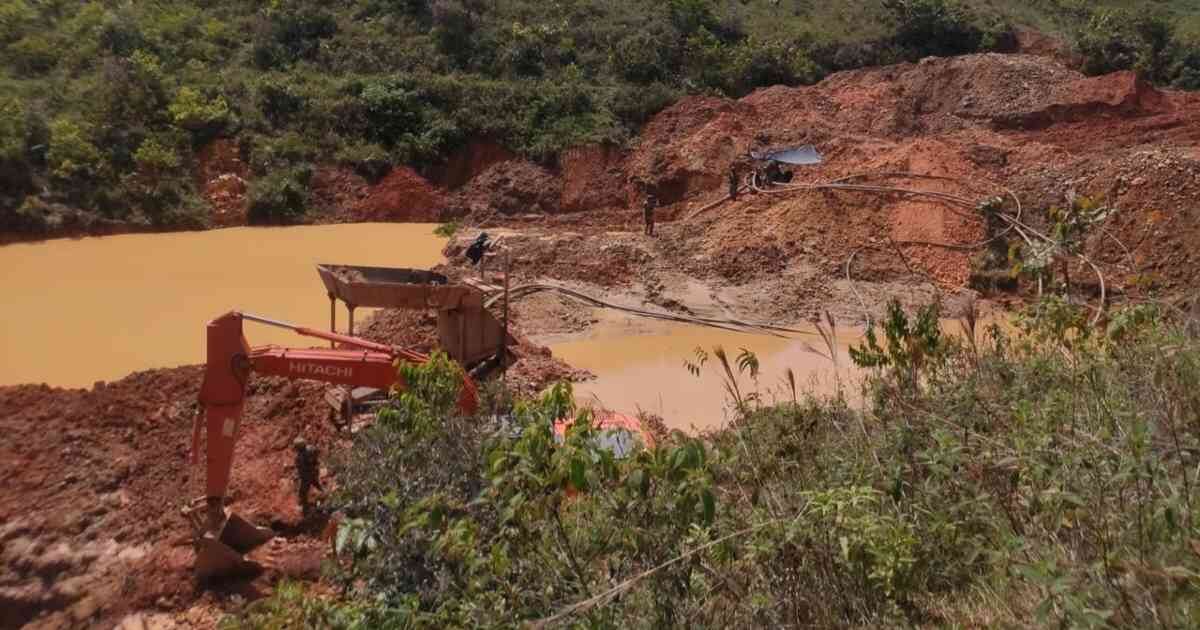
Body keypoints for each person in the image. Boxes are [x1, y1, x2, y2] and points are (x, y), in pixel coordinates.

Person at [293, 437, 322, 516]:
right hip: (314, 472)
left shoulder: (300, 457)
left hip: (306, 476)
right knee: (316, 483)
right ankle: (324, 494)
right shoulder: (311, 448)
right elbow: (317, 453)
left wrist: (299, 475)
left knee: (302, 492)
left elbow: (302, 468)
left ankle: (305, 508)